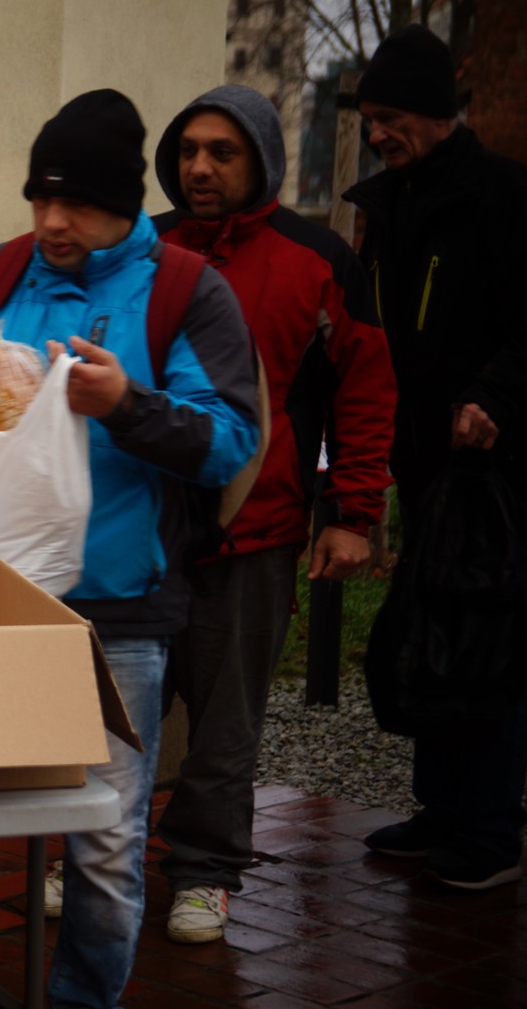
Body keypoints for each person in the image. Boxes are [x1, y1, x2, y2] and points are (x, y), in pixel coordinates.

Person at [0, 89, 259, 1009]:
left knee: (103, 840)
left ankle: (82, 997)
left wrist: (125, 405)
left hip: (117, 613)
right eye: (40, 199)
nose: (51, 221)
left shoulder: (185, 292)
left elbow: (230, 442)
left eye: (76, 204)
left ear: (123, 205)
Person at [133, 85, 395, 942]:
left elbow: (364, 389)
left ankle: (203, 873)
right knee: (114, 708)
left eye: (222, 152)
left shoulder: (316, 259)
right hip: (138, 531)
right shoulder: (142, 247)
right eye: (187, 151)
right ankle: (94, 852)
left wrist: (352, 511)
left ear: (262, 161)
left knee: (224, 722)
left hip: (254, 531)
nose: (199, 168)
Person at [344, 23, 527, 891]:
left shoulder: (503, 196)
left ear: (431, 111)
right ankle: (441, 808)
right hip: (422, 464)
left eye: (389, 118)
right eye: (368, 120)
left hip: (499, 471)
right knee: (431, 628)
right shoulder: (386, 205)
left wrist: (495, 396)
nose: (376, 134)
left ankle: (490, 832)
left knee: (487, 638)